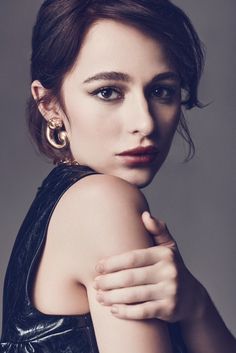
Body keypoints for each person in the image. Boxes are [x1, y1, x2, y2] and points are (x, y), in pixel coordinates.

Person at [0, 0, 235, 352]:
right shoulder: (102, 202)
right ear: (50, 105)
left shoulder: (63, 200)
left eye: (161, 91)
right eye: (107, 91)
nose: (145, 122)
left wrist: (196, 305)